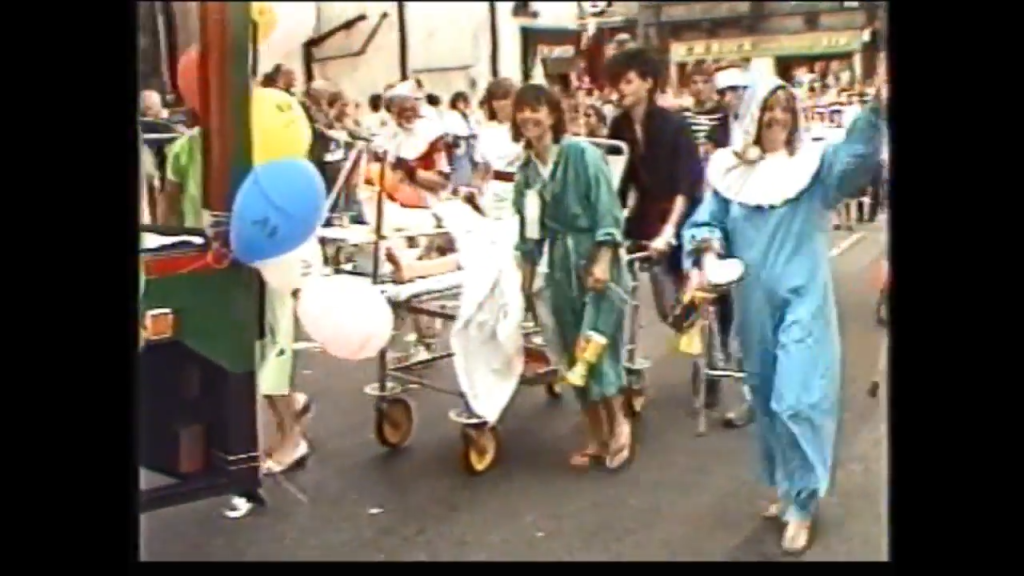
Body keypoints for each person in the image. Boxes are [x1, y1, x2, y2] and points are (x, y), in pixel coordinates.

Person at [680, 58, 885, 554]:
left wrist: (876, 109)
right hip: (754, 307)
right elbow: (709, 221)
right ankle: (785, 487)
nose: (777, 121)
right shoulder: (732, 173)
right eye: (768, 111)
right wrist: (706, 255)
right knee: (768, 398)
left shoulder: (812, 168)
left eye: (784, 112)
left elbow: (854, 161)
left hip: (803, 301)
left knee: (798, 398)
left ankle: (804, 504)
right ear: (752, 115)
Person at [159, 108, 315, 476]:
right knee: (249, 346)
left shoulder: (243, 144)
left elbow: (169, 205)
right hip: (229, 255)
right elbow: (170, 203)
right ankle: (287, 412)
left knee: (265, 345)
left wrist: (174, 250)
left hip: (244, 255)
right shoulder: (195, 147)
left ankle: (292, 438)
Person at [512, 83, 634, 470]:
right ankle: (595, 434)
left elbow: (607, 210)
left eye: (537, 109)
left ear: (552, 114)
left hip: (597, 258)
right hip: (561, 268)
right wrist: (526, 285)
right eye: (522, 110)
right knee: (571, 350)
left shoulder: (582, 155)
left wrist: (602, 259)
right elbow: (530, 236)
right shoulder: (527, 175)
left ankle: (620, 427)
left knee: (597, 345)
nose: (529, 117)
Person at [605, 47, 705, 389]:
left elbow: (685, 185)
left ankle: (709, 360)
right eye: (617, 82)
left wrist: (670, 231)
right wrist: (609, 223)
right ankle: (693, 331)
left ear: (647, 83)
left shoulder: (674, 126)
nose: (620, 89)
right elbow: (619, 181)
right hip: (646, 215)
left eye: (628, 81)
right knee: (668, 307)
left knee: (687, 290)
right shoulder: (618, 126)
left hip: (683, 215)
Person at [444, 91, 478, 187]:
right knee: (461, 165)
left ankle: (470, 184)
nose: (461, 104)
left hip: (470, 142)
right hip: (459, 142)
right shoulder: (450, 115)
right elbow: (449, 130)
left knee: (472, 165)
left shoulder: (467, 115)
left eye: (463, 102)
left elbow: (473, 128)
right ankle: (460, 185)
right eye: (459, 102)